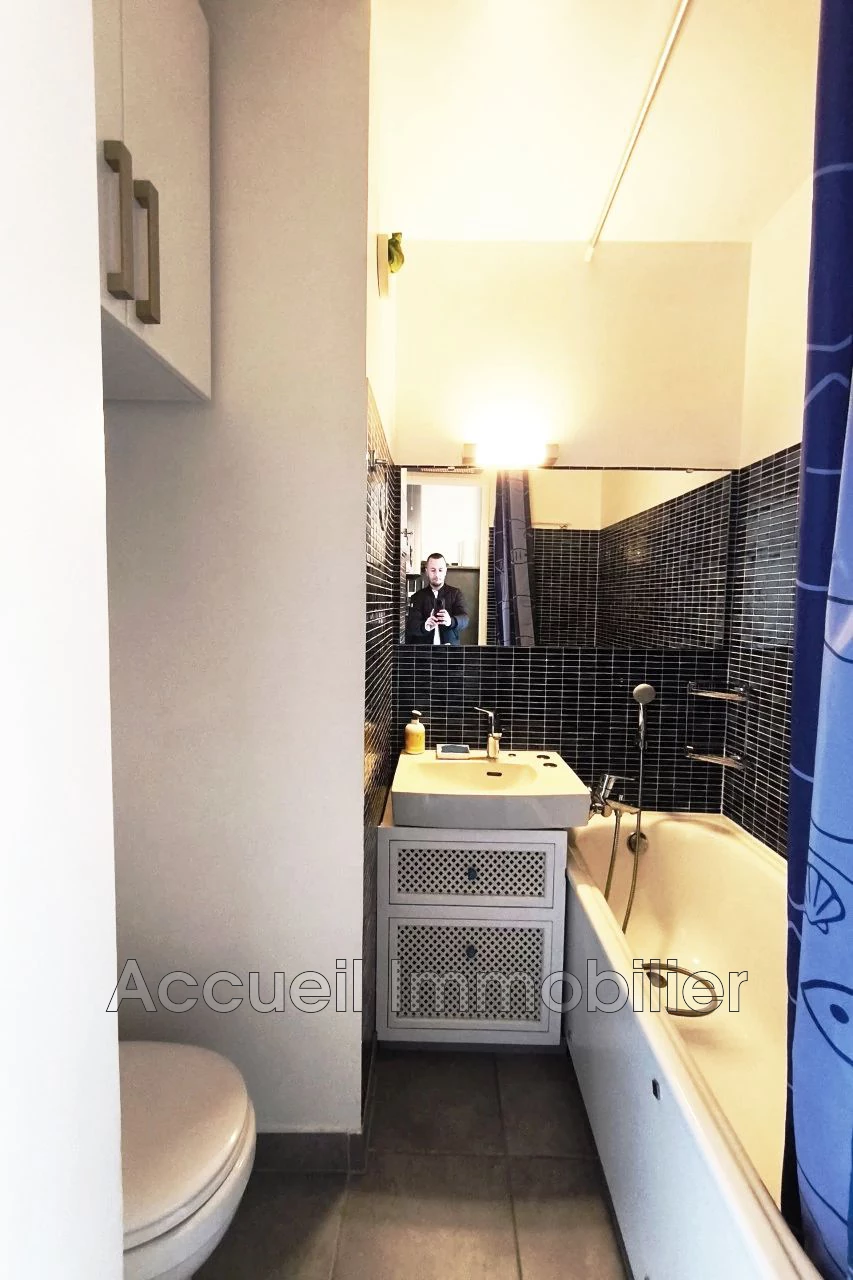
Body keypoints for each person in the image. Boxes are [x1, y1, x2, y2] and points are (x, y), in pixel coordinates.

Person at [405, 552, 469, 645]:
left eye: (440, 570)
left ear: (445, 571)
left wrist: (450, 621)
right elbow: (411, 625)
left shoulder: (455, 594)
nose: (437, 574)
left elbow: (465, 619)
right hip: (424, 651)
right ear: (426, 571)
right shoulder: (417, 597)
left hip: (449, 650)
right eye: (433, 570)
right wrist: (425, 626)